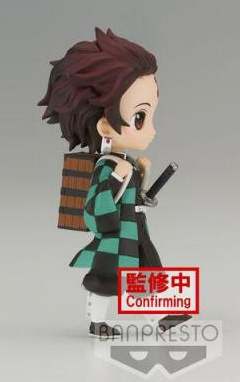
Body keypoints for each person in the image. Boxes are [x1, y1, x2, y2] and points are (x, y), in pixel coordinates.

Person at [39, 28, 190, 337]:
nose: (151, 130)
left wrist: (142, 180)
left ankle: (161, 318)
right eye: (139, 118)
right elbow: (95, 208)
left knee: (146, 273)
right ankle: (100, 322)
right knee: (108, 281)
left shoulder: (125, 164)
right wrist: (120, 179)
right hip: (117, 237)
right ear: (106, 125)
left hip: (134, 232)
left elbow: (135, 200)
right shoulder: (108, 167)